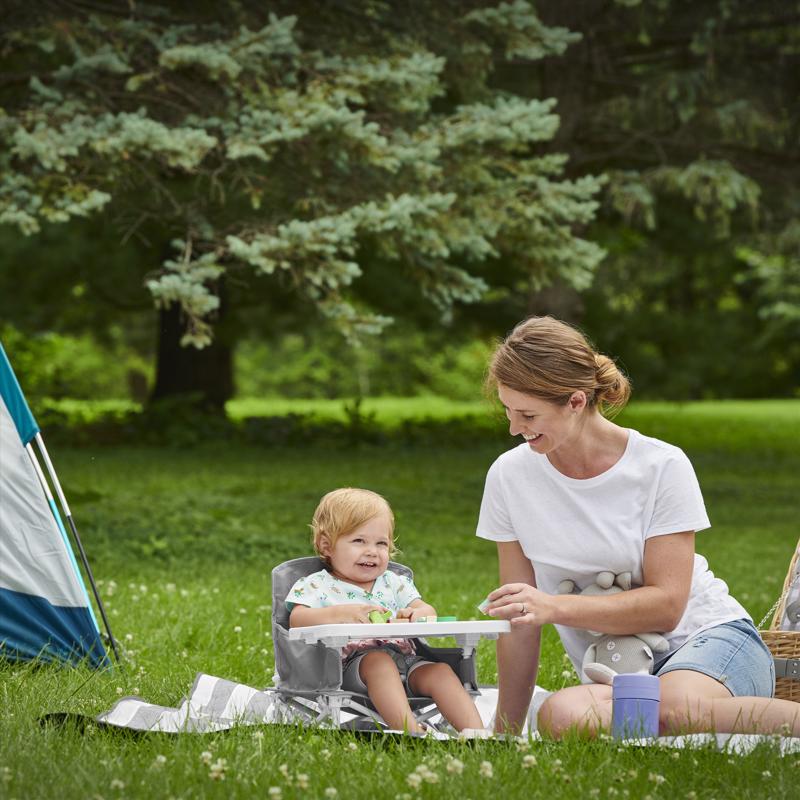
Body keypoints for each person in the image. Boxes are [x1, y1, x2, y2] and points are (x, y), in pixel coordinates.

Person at [477, 315, 799, 738]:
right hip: (619, 667)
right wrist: (505, 734)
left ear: (576, 401)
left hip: (706, 640)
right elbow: (521, 619)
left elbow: (667, 606)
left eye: (527, 415)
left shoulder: (661, 465)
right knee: (561, 716)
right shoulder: (508, 476)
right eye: (508, 411)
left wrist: (553, 607)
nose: (514, 428)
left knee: (673, 710)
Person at [287, 487, 485, 734]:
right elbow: (297, 619)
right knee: (378, 662)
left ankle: (478, 735)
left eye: (381, 543)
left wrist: (418, 614)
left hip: (407, 660)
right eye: (359, 541)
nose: (372, 551)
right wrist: (339, 614)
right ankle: (411, 732)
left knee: (440, 672)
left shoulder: (394, 582)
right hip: (345, 669)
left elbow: (425, 608)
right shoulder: (317, 585)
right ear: (327, 546)